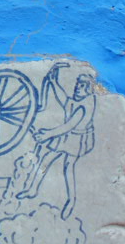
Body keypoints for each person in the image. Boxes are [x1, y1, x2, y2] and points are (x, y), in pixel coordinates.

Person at [16, 62, 97, 219]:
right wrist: (54, 82)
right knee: (46, 159)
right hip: (69, 136)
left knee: (68, 167)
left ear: (88, 89)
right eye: (77, 84)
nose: (77, 88)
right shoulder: (76, 100)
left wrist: (48, 135)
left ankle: (71, 201)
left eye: (81, 86)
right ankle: (32, 190)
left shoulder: (84, 106)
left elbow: (68, 126)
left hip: (78, 140)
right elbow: (63, 100)